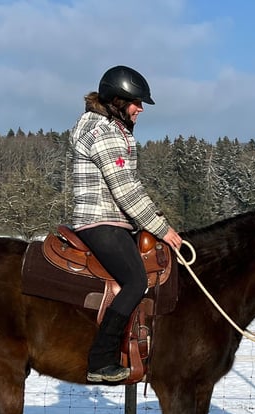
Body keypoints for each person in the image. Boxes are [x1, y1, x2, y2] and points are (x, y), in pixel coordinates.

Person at [70, 65, 183, 383]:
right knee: (135, 282)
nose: (141, 108)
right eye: (136, 102)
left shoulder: (105, 127)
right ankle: (101, 360)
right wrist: (163, 229)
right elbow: (126, 190)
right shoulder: (105, 133)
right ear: (117, 101)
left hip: (114, 220)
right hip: (100, 220)